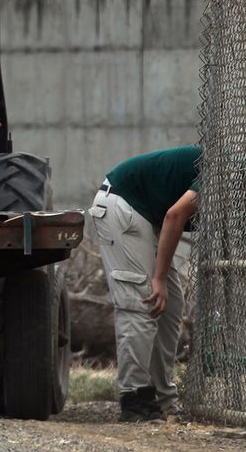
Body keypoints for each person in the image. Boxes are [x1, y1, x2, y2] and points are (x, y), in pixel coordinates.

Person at [89, 145, 200, 422]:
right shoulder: (229, 174)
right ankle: (134, 397)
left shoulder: (240, 185)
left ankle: (163, 398)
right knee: (143, 300)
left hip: (145, 215)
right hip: (123, 203)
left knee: (171, 304)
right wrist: (159, 277)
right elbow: (175, 215)